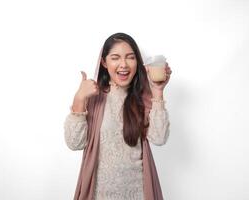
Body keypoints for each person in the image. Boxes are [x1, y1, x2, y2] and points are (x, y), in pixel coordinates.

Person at [64, 32, 172, 200]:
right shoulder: (94, 96)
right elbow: (75, 143)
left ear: (138, 62)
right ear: (104, 62)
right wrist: (79, 99)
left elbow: (159, 138)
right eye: (115, 58)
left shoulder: (142, 98)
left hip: (138, 194)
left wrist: (157, 92)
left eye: (130, 57)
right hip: (99, 194)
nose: (124, 65)